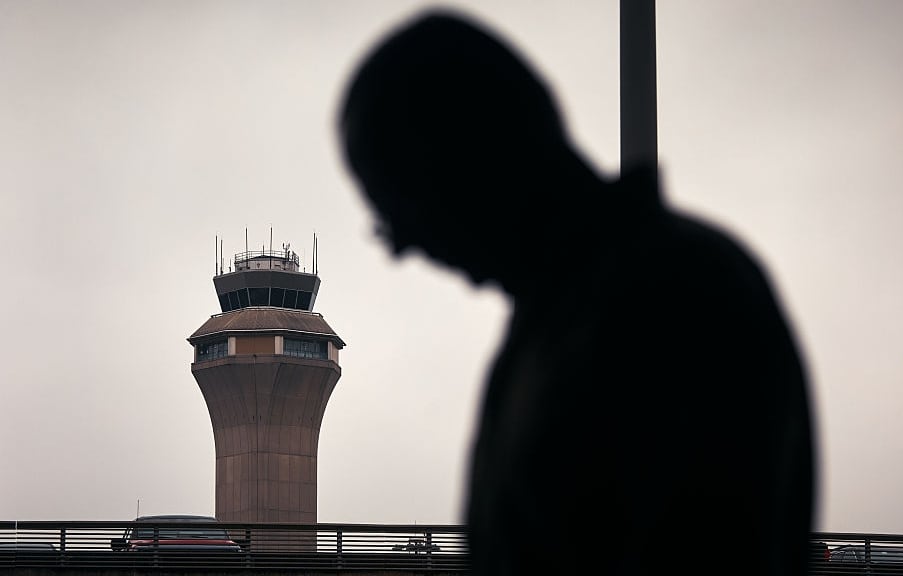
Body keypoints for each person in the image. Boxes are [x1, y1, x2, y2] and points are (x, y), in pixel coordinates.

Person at [336, 9, 815, 576]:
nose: (403, 248)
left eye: (397, 209)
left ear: (466, 158)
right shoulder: (566, 317)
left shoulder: (664, 301)